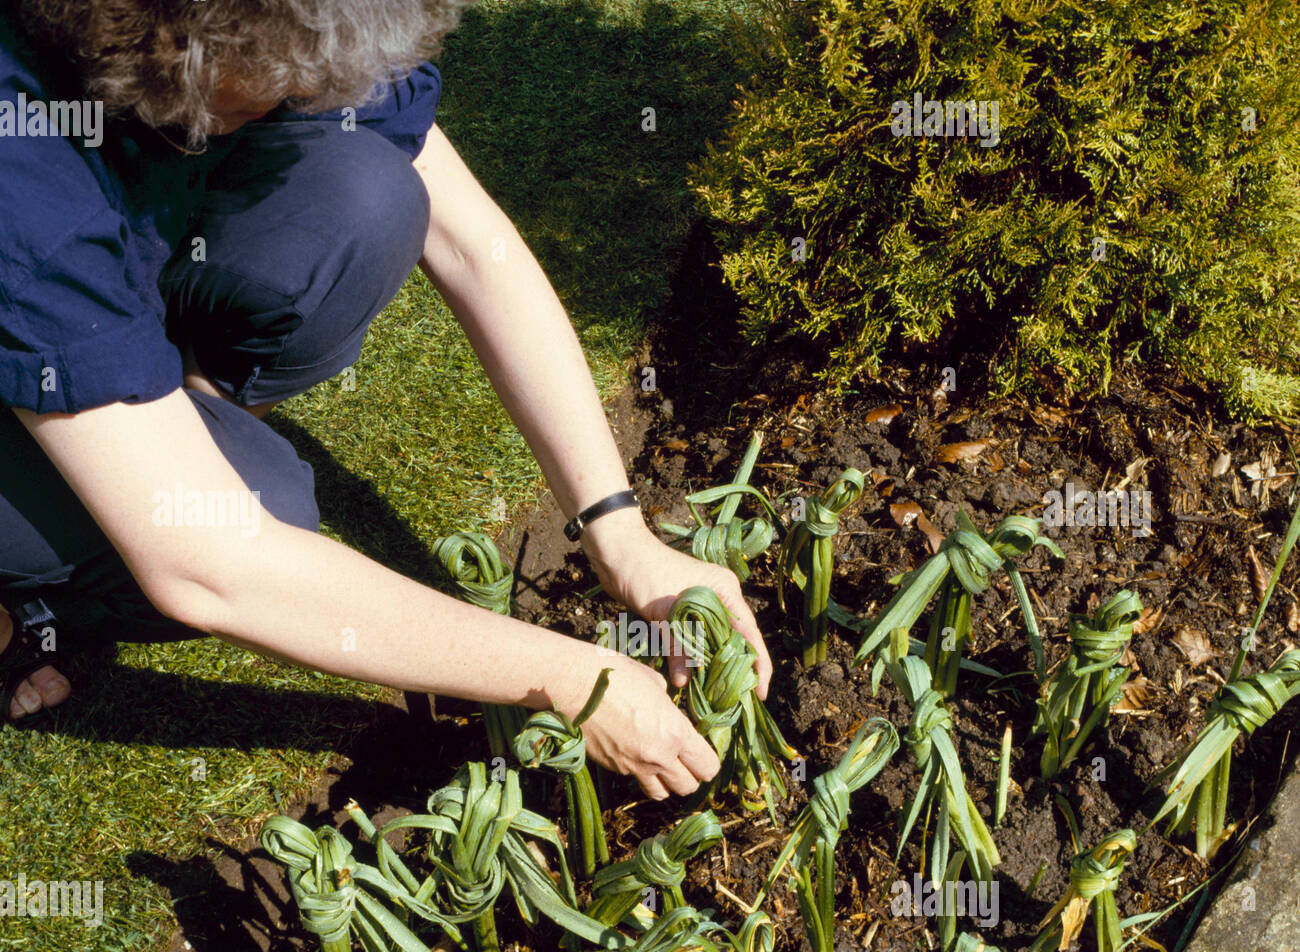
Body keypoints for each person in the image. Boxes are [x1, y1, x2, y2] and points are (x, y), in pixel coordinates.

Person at [0, 0, 773, 802]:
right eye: (276, 84)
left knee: (373, 195)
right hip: (29, 271)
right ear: (177, 46)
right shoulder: (25, 164)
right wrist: (573, 680)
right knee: (256, 509)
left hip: (90, 252)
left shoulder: (278, 26)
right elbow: (210, 567)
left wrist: (619, 530)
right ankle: (30, 598)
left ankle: (150, 430)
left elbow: (476, 248)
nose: (301, 97)